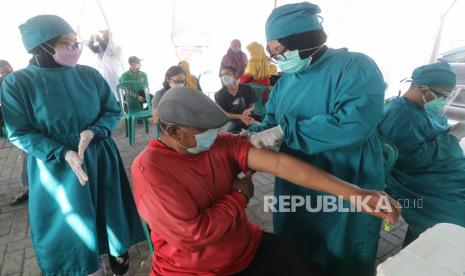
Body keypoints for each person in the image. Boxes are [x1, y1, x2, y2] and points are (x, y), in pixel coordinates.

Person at [131, 86, 400, 276]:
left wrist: (358, 194)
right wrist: (239, 196)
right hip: (193, 269)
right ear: (175, 132)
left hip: (245, 246)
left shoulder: (219, 144)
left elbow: (282, 165)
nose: (213, 136)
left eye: (214, 130)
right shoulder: (151, 171)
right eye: (204, 131)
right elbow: (195, 235)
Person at [247, 2, 387, 276]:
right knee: (297, 240)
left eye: (281, 50)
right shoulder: (287, 79)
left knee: (343, 248)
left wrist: (288, 132)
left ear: (304, 40)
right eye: (273, 53)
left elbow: (353, 123)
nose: (279, 59)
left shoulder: (354, 66)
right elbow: (272, 121)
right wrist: (248, 136)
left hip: (347, 172)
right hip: (296, 176)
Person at [1, 15, 145, 275]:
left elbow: (112, 110)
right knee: (71, 223)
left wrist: (94, 131)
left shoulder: (89, 75)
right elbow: (19, 132)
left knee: (109, 211)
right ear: (41, 46)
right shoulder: (17, 83)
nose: (75, 48)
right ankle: (84, 266)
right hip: (56, 166)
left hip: (100, 154)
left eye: (76, 42)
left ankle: (116, 253)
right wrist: (62, 152)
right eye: (67, 43)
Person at [378, 61, 465, 246]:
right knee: (456, 215)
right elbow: (412, 158)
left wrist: (450, 133)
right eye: (442, 95)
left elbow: (432, 131)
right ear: (422, 88)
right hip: (417, 180)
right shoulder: (400, 114)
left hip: (443, 171)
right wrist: (451, 138)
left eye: (449, 95)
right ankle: (423, 248)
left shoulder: (424, 108)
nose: (444, 100)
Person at [215, 66, 258, 132]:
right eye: (221, 75)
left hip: (247, 117)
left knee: (260, 127)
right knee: (219, 133)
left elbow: (252, 105)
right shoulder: (219, 94)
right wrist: (240, 117)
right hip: (231, 120)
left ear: (234, 75)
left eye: (226, 74)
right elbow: (224, 113)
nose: (223, 77)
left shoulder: (247, 88)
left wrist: (249, 109)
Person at [87, 30, 124, 100]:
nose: (104, 37)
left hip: (113, 71)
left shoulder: (115, 46)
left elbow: (109, 50)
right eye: (103, 35)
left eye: (105, 35)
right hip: (104, 71)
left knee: (114, 88)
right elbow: (93, 48)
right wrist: (91, 40)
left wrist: (100, 40)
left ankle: (118, 102)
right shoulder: (102, 46)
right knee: (106, 88)